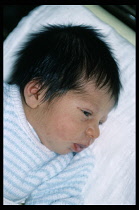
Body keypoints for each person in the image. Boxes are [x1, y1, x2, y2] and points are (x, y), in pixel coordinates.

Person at [4, 24, 122, 205]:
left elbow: (60, 199)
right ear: (38, 93)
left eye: (100, 122)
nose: (95, 133)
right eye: (86, 113)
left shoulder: (69, 163)